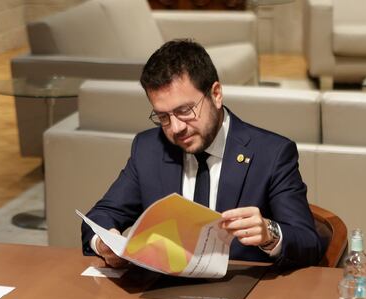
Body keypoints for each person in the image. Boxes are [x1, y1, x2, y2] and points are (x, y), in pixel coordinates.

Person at [81, 39, 322, 269]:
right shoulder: (148, 149)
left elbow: (309, 243)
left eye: (185, 111)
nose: (176, 128)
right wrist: (104, 243)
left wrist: (270, 234)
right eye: (163, 116)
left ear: (216, 94)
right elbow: (101, 216)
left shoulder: (271, 154)